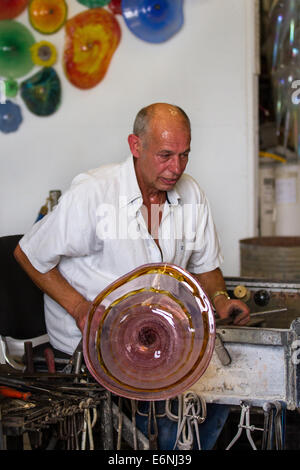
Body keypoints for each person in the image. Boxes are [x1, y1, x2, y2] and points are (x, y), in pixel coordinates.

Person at [14, 102, 250, 448]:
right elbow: (28, 254)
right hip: (94, 344)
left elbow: (206, 265)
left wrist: (219, 298)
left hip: (161, 336)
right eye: (166, 155)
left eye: (185, 155)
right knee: (174, 403)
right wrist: (81, 309)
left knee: (227, 383)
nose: (176, 168)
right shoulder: (94, 193)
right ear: (135, 146)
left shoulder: (191, 193)